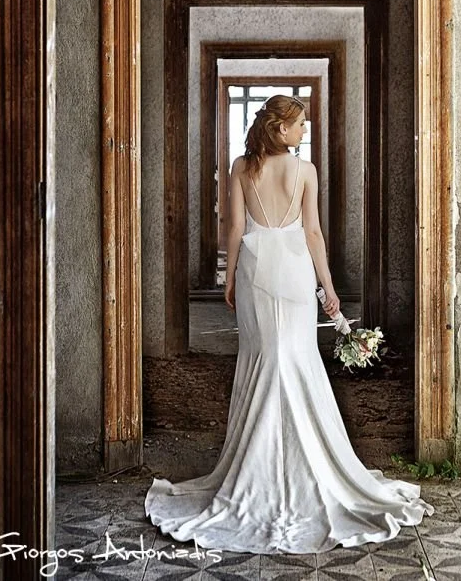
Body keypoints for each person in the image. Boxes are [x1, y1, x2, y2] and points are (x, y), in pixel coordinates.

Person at [145, 94, 434, 553]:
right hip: (295, 271)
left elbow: (235, 229)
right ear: (279, 129)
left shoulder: (243, 167)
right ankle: (303, 467)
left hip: (257, 272)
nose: (304, 132)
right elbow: (313, 232)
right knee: (293, 358)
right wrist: (328, 286)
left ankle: (257, 469)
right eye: (299, 125)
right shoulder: (305, 172)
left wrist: (230, 277)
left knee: (265, 358)